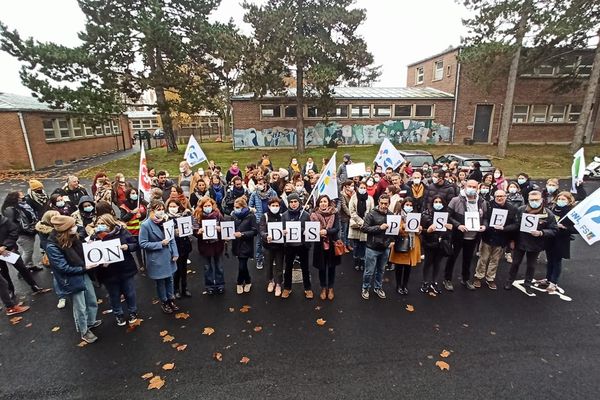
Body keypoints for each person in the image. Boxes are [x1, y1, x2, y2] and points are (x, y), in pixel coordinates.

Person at [46, 215, 101, 343]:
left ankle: (91, 322)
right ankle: (84, 330)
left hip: (82, 271)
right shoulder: (52, 246)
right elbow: (63, 268)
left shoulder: (73, 238)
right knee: (80, 307)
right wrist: (84, 268)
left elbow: (81, 250)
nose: (75, 228)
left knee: (91, 299)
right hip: (72, 278)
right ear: (65, 229)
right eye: (72, 226)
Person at [505, 190, 558, 294]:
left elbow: (554, 229)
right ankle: (509, 281)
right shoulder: (521, 210)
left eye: (536, 200)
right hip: (520, 241)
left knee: (531, 265)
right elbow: (515, 225)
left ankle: (528, 283)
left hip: (536, 244)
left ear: (541, 200)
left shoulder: (548, 213)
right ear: (528, 200)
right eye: (532, 200)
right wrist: (511, 240)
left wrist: (541, 232)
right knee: (515, 263)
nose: (534, 202)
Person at [90, 214, 139, 326]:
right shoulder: (94, 238)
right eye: (98, 224)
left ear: (110, 224)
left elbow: (135, 244)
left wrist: (128, 247)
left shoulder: (122, 232)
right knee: (114, 295)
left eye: (102, 224)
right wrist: (100, 262)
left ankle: (133, 311)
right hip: (108, 273)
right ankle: (118, 314)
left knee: (130, 292)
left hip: (125, 269)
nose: (99, 226)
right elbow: (92, 257)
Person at [444, 180, 488, 291]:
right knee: (452, 258)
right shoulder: (456, 200)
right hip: (458, 235)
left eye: (474, 187)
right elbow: (448, 216)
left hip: (473, 237)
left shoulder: (482, 202)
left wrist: (484, 226)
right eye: (470, 186)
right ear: (465, 186)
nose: (472, 188)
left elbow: (486, 218)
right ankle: (447, 279)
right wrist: (458, 225)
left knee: (467, 259)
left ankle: (466, 278)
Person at [139, 201, 180, 313]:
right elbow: (142, 243)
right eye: (158, 209)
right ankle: (164, 301)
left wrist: (175, 253)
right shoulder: (145, 225)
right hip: (156, 258)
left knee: (170, 279)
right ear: (151, 211)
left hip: (169, 257)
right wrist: (160, 244)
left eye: (162, 209)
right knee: (161, 282)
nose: (161, 211)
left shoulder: (166, 221)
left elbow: (172, 239)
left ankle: (171, 299)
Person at [473, 190, 518, 290]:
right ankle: (478, 276)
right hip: (488, 236)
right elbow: (485, 218)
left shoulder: (512, 208)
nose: (499, 198)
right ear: (494, 197)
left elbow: (515, 224)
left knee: (495, 260)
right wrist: (486, 226)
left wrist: (505, 229)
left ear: (506, 196)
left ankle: (490, 278)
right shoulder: (489, 206)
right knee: (483, 258)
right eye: (497, 196)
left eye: (502, 196)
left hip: (502, 238)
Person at [543, 191, 578, 293]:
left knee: (557, 261)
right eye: (559, 199)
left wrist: (564, 227)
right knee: (549, 260)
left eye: (563, 199)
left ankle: (553, 282)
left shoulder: (571, 213)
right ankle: (548, 278)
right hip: (550, 238)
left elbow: (576, 229)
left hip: (561, 240)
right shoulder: (553, 209)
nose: (560, 201)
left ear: (569, 201)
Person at [281, 193, 313, 299]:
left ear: (299, 202)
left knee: (305, 267)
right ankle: (287, 287)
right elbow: (282, 230)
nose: (293, 204)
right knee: (288, 267)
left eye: (295, 202)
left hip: (302, 245)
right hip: (289, 245)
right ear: (288, 203)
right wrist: (284, 232)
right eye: (291, 202)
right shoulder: (284, 215)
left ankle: (308, 288)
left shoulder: (306, 215)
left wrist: (300, 230)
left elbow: (310, 231)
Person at [360, 194, 392, 300]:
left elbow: (394, 231)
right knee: (369, 271)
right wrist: (379, 227)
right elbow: (364, 228)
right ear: (378, 202)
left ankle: (378, 287)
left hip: (385, 247)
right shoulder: (371, 214)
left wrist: (392, 241)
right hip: (372, 248)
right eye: (382, 203)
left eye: (386, 204)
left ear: (389, 204)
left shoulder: (391, 215)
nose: (383, 205)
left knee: (381, 270)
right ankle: (365, 288)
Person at [389, 198, 422, 295]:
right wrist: (402, 227)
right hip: (401, 242)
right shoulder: (398, 215)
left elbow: (419, 231)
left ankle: (405, 285)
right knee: (399, 266)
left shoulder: (415, 216)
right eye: (407, 204)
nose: (409, 207)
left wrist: (419, 229)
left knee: (408, 266)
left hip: (412, 243)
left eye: (411, 205)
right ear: (403, 205)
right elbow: (393, 229)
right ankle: (398, 285)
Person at [2, 191, 42, 272]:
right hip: (23, 234)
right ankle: (23, 270)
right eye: (21, 197)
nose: (23, 197)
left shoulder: (22, 205)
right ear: (15, 199)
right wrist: (26, 230)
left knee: (29, 250)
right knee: (28, 251)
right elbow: (13, 224)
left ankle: (30, 265)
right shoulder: (10, 210)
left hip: (30, 230)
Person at [420, 196, 453, 294]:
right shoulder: (426, 214)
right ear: (432, 203)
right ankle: (425, 282)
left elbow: (450, 231)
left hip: (442, 243)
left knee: (437, 263)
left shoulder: (447, 215)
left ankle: (434, 282)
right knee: (428, 262)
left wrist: (450, 228)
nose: (438, 203)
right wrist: (428, 231)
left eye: (440, 202)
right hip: (429, 243)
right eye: (436, 201)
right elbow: (421, 231)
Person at [311, 195, 341, 301]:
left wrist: (326, 231)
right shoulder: (314, 215)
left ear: (328, 202)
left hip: (332, 243)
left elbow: (337, 228)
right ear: (318, 203)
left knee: (332, 267)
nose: (323, 203)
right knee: (321, 267)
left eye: (325, 201)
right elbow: (311, 229)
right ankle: (323, 288)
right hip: (319, 245)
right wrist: (318, 233)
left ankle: (331, 288)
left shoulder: (334, 213)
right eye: (321, 202)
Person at [36, 210, 67, 309]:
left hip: (66, 252)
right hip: (55, 255)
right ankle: (61, 296)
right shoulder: (44, 231)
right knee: (58, 277)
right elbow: (46, 245)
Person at [194, 197, 226, 294]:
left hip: (217, 244)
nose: (208, 207)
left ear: (212, 206)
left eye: (209, 205)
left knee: (219, 266)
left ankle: (220, 284)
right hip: (205, 245)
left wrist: (220, 228)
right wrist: (198, 231)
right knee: (207, 267)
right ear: (201, 207)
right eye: (205, 206)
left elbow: (224, 226)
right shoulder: (198, 216)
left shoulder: (218, 215)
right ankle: (209, 286)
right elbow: (194, 230)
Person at [166, 199, 193, 298]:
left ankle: (184, 288)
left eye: (175, 206)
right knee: (176, 269)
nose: (173, 208)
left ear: (178, 207)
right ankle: (176, 289)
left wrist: (189, 215)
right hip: (174, 246)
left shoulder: (183, 216)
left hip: (184, 245)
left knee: (184, 268)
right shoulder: (166, 218)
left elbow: (191, 226)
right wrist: (175, 232)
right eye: (171, 206)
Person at [248, 177, 278, 270]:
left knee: (273, 239)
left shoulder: (273, 193)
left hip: (271, 218)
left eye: (261, 183)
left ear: (266, 184)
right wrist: (253, 209)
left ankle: (272, 258)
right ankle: (259, 259)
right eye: (258, 183)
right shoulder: (254, 194)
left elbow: (277, 203)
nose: (260, 185)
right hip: (259, 219)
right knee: (259, 241)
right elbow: (250, 205)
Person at [259, 197, 285, 297]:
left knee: (279, 265)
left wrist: (285, 232)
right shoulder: (264, 216)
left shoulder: (282, 216)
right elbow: (261, 229)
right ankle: (270, 281)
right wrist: (266, 236)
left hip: (279, 246)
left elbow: (285, 228)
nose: (275, 207)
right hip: (268, 246)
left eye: (277, 205)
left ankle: (278, 284)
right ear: (269, 206)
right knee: (268, 265)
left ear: (279, 206)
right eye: (273, 205)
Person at [231, 197, 257, 294]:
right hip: (236, 244)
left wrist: (242, 234)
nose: (235, 209)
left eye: (237, 207)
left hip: (246, 244)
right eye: (234, 207)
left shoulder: (251, 216)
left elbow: (255, 231)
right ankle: (247, 280)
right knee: (242, 265)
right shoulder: (233, 215)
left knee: (242, 265)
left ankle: (239, 282)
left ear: (243, 207)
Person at [119, 188, 147, 270]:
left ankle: (146, 262)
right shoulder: (124, 206)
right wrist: (131, 213)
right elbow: (123, 218)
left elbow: (146, 214)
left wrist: (141, 215)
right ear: (128, 195)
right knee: (137, 248)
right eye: (133, 193)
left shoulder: (141, 203)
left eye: (136, 193)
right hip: (132, 232)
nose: (135, 195)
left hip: (142, 230)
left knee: (145, 247)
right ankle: (141, 264)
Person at [348, 181, 374, 271]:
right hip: (356, 224)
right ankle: (356, 261)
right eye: (361, 187)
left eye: (364, 187)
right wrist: (360, 222)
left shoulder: (370, 198)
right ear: (358, 188)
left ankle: (362, 262)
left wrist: (365, 222)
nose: (363, 189)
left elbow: (371, 211)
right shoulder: (353, 198)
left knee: (363, 244)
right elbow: (352, 212)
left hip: (366, 225)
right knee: (356, 245)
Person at [338, 181, 354, 252]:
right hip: (343, 217)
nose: (352, 187)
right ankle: (343, 246)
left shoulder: (351, 194)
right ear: (345, 186)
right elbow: (344, 206)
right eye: (350, 186)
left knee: (348, 232)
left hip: (349, 218)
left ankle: (348, 245)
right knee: (343, 232)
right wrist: (351, 214)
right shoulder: (342, 194)